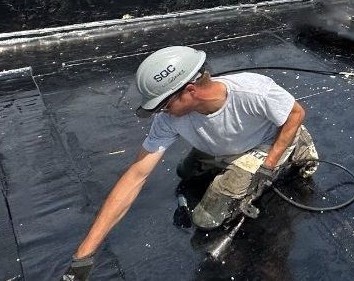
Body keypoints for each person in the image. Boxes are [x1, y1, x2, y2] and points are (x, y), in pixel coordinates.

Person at [61, 46, 318, 281]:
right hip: (224, 147)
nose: (161, 112)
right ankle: (233, 161)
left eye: (164, 105)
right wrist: (84, 255)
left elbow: (296, 114)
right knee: (185, 171)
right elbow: (136, 175)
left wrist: (269, 165)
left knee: (207, 217)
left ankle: (298, 153)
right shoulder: (168, 119)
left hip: (266, 144)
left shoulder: (251, 91)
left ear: (190, 91)